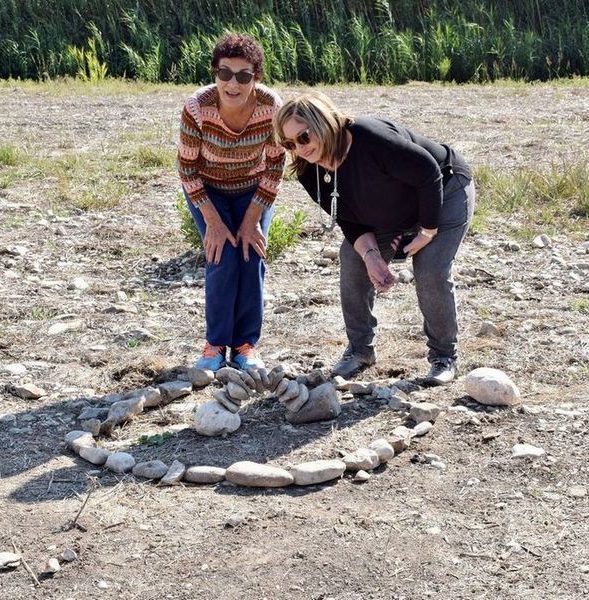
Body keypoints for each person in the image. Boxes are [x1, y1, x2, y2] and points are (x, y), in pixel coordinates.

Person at [273, 92, 474, 385]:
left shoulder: (368, 137)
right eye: (289, 143)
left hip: (445, 189)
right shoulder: (308, 171)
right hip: (392, 209)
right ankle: (360, 351)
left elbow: (428, 173)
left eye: (303, 137)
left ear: (324, 123)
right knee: (353, 258)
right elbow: (348, 218)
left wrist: (426, 231)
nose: (299, 148)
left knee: (429, 267)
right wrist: (371, 257)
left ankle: (443, 356)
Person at [178, 33, 285, 371]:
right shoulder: (197, 107)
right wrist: (214, 222)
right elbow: (187, 168)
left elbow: (276, 164)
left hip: (254, 188)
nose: (233, 83)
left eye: (244, 75)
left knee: (251, 253)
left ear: (257, 77)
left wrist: (252, 219)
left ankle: (245, 347)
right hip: (207, 190)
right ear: (215, 73)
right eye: (225, 73)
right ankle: (215, 345)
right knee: (221, 253)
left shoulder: (271, 107)